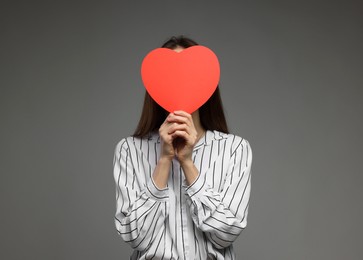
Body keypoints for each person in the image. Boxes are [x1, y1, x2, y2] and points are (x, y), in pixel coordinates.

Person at [112, 35, 253, 260]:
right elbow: (136, 237)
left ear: (205, 84)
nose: (179, 84)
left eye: (189, 75)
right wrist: (164, 160)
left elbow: (225, 234)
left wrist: (187, 163)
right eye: (169, 76)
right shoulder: (129, 150)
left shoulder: (235, 149)